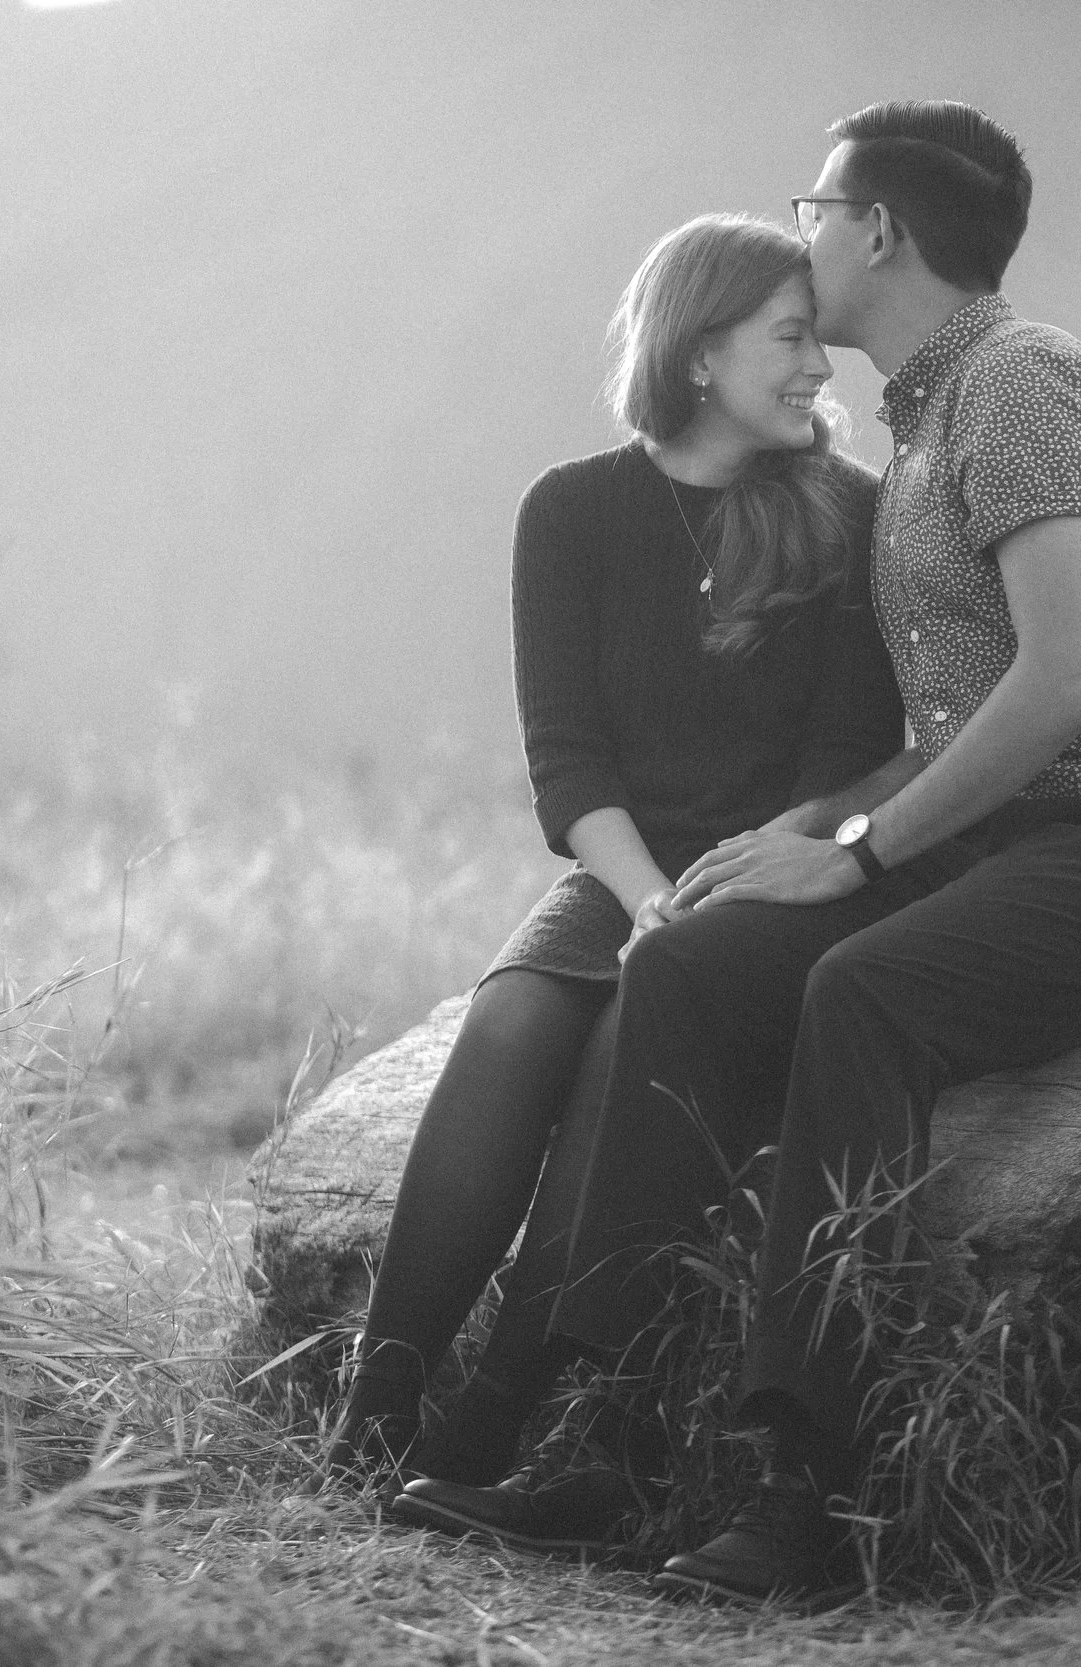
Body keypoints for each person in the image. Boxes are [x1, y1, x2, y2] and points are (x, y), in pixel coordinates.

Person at [396, 101, 1081, 1605]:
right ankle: (601, 1431)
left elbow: (1068, 680)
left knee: (861, 991)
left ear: (876, 231)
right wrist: (810, 850)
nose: (800, 232)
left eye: (814, 208)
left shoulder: (1016, 382)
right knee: (684, 960)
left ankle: (805, 1495)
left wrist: (855, 857)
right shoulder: (920, 424)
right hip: (1011, 839)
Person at [321, 213, 903, 1494]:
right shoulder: (573, 509)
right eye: (794, 337)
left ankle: (490, 1418)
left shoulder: (850, 516)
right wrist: (645, 897)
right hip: (622, 868)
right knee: (515, 1019)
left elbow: (848, 755)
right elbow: (568, 761)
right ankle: (376, 1402)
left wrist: (729, 885)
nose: (822, 367)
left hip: (770, 871)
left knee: (622, 1058)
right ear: (699, 355)